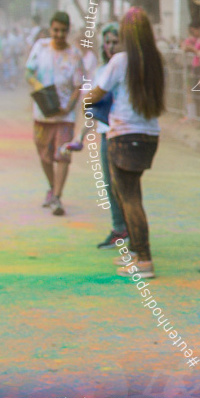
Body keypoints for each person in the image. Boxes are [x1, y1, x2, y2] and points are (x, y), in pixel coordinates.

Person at [83, 7, 165, 279]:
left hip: (123, 136)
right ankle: (136, 251)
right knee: (131, 195)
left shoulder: (119, 61)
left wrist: (83, 97)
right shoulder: (156, 61)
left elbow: (97, 92)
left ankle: (144, 259)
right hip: (148, 136)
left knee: (129, 198)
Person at [63, 23, 128, 248]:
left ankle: (132, 233)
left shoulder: (130, 67)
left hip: (124, 133)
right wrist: (80, 137)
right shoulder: (102, 71)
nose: (110, 46)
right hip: (106, 134)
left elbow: (90, 102)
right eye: (107, 42)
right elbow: (95, 111)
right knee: (111, 186)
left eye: (115, 41)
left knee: (126, 187)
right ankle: (120, 228)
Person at [25, 11, 85, 216]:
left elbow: (78, 85)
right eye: (55, 30)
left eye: (63, 31)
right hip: (42, 113)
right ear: (51, 29)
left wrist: (68, 107)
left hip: (65, 116)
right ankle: (53, 187)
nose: (59, 34)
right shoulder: (40, 47)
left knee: (63, 155)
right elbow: (28, 72)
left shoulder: (75, 54)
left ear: (68, 31)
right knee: (44, 155)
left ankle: (58, 197)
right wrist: (38, 87)